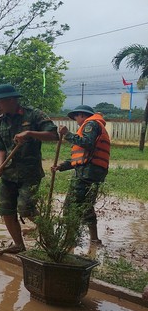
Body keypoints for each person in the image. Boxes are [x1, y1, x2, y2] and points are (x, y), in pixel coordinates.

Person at [0, 84, 58, 254]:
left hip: (29, 173)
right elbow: (1, 147)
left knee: (26, 208)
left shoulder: (34, 115)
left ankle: (52, 243)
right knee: (6, 209)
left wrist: (30, 133)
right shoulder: (0, 122)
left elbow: (54, 135)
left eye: (0, 102)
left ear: (11, 100)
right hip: (8, 173)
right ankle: (19, 245)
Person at [51, 104, 110, 245]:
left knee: (72, 206)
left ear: (82, 115)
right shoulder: (95, 125)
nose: (76, 120)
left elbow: (87, 144)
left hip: (86, 174)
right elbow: (81, 157)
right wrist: (61, 166)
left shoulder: (90, 125)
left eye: (76, 116)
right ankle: (94, 239)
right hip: (90, 172)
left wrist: (67, 134)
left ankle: (70, 240)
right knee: (86, 206)